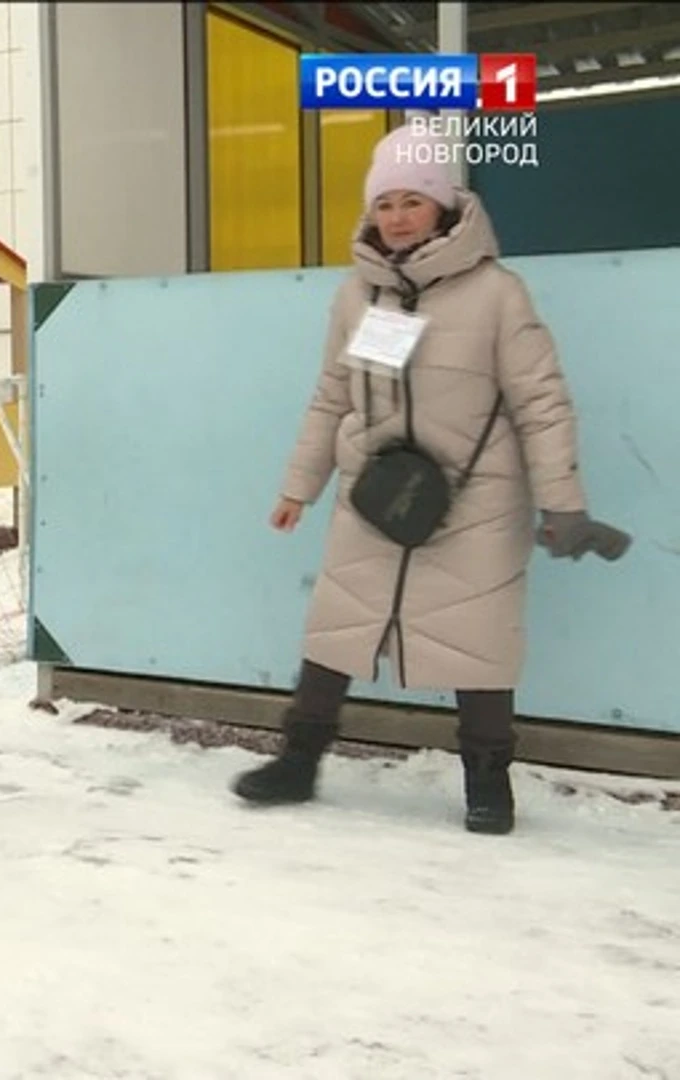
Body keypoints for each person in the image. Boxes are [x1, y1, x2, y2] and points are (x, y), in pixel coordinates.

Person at [234, 124, 633, 835]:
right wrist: (300, 485)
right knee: (335, 625)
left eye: (412, 200)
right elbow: (332, 394)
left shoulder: (497, 293)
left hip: (477, 496)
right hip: (374, 489)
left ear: (445, 206)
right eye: (384, 202)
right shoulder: (357, 295)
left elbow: (541, 402)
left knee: (477, 638)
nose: (396, 216)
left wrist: (562, 505)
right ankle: (298, 760)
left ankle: (488, 781)